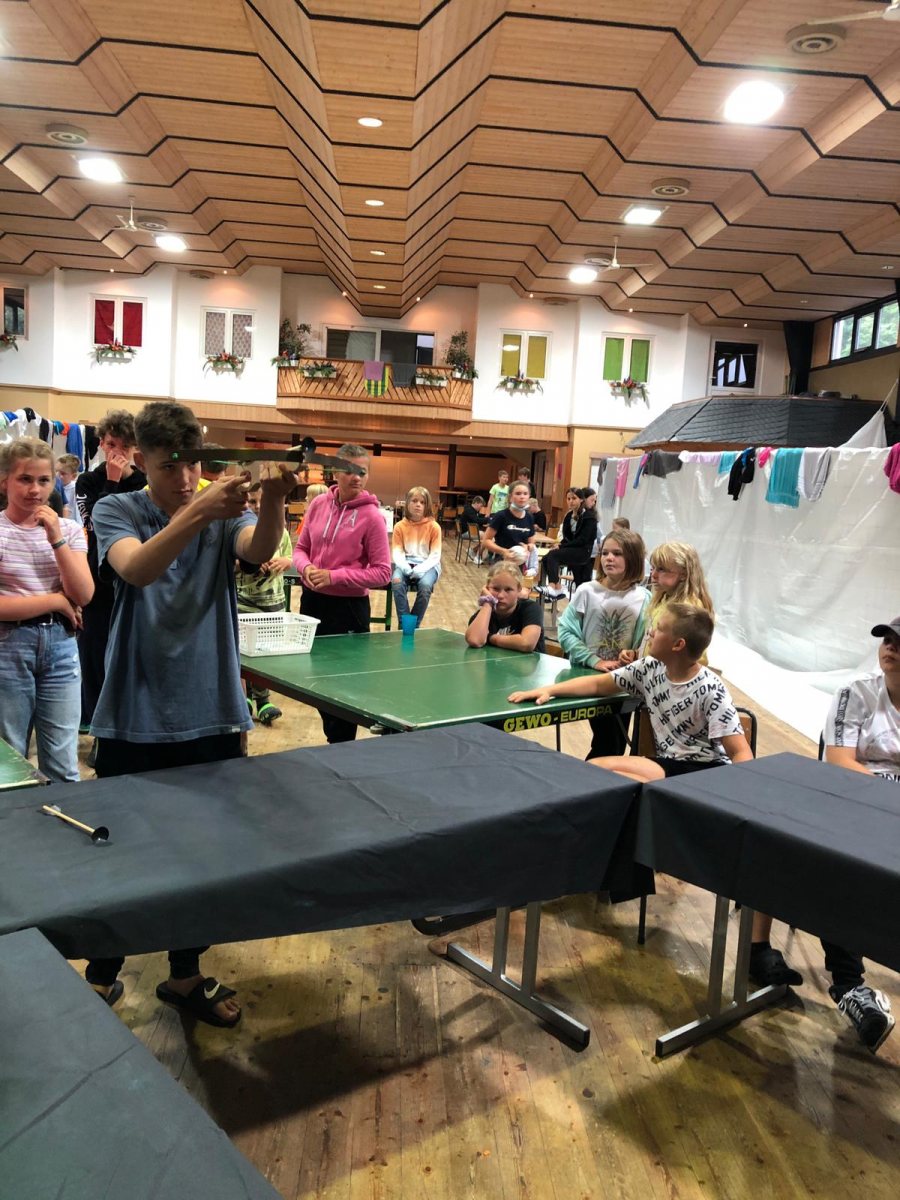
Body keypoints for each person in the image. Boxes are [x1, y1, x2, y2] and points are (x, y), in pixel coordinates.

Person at [86, 400, 299, 1024]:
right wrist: (201, 509)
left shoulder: (219, 508)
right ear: (140, 459)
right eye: (169, 466)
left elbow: (258, 549)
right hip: (134, 708)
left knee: (200, 853)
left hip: (212, 705)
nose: (184, 479)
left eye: (194, 465)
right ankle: (101, 972)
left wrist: (273, 500)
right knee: (122, 849)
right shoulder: (117, 508)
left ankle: (184, 975)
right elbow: (137, 568)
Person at [777, 616, 898, 1053]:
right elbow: (840, 762)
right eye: (887, 639)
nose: (890, 647)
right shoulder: (856, 693)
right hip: (853, 802)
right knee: (841, 865)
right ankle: (849, 985)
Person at [510, 605, 750, 780]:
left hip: (705, 771)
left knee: (618, 783)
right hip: (669, 764)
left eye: (659, 629)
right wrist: (549, 689)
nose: (651, 633)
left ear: (678, 645)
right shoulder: (650, 667)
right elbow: (598, 685)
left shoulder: (711, 688)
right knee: (594, 768)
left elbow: (740, 752)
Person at [0, 439, 94, 782]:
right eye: (25, 479)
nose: (35, 490)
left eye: (43, 480)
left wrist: (56, 537)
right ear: (5, 482)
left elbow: (83, 593)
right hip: (9, 646)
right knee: (10, 759)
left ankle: (61, 817)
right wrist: (55, 601)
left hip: (61, 645)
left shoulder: (68, 530)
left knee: (62, 762)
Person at [293, 443, 391, 744]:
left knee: (344, 691)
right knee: (318, 684)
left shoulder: (372, 517)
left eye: (362, 471)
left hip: (349, 610)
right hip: (313, 603)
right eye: (349, 470)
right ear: (335, 471)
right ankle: (336, 744)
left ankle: (341, 749)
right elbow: (301, 549)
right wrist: (307, 568)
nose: (356, 477)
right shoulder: (318, 505)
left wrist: (334, 576)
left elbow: (382, 572)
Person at [75, 410, 147, 730]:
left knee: (127, 654)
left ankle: (125, 723)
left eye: (125, 446)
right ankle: (94, 724)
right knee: (94, 654)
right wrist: (112, 481)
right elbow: (96, 522)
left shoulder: (144, 483)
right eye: (112, 444)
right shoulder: (88, 481)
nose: (117, 452)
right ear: (102, 443)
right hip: (98, 580)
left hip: (133, 579)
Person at [557, 529, 650, 759]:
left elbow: (646, 641)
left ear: (633, 557)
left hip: (623, 682)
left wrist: (634, 654)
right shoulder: (587, 591)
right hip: (588, 676)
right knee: (608, 744)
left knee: (613, 744)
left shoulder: (644, 597)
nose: (609, 558)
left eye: (617, 553)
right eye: (605, 553)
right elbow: (566, 631)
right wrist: (594, 660)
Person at [235, 485, 294, 725]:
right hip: (245, 605)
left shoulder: (282, 532)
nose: (258, 506)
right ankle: (249, 698)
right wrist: (248, 563)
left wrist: (285, 562)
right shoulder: (238, 531)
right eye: (252, 501)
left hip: (273, 604)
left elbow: (290, 557)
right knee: (244, 654)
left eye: (262, 501)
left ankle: (262, 700)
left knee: (265, 654)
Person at [642, 542, 714, 658]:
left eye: (662, 569)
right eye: (653, 568)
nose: (653, 575)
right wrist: (637, 653)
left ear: (684, 574)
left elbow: (693, 658)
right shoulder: (663, 597)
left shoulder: (689, 609)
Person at [465, 561, 544, 653]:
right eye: (495, 589)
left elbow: (526, 643)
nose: (500, 595)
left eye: (508, 589)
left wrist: (491, 638)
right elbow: (474, 640)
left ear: (519, 589)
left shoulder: (531, 609)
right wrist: (487, 603)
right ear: (487, 588)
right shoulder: (483, 615)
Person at [391, 486, 442, 626]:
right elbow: (397, 552)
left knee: (425, 586)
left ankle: (414, 624)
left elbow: (435, 555)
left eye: (422, 502)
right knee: (396, 582)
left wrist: (421, 569)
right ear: (407, 503)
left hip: (429, 565)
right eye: (414, 501)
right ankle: (405, 623)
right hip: (406, 563)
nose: (418, 505)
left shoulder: (434, 527)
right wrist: (405, 567)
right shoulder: (399, 526)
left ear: (427, 505)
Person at [539, 487, 596, 599]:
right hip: (571, 549)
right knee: (546, 558)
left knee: (553, 555)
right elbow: (567, 537)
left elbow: (582, 540)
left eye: (574, 498)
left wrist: (561, 546)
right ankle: (557, 587)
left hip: (583, 551)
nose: (571, 501)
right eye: (568, 499)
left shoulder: (589, 517)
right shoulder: (568, 516)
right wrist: (558, 545)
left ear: (581, 500)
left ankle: (552, 586)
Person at [481, 481, 535, 567]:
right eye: (518, 493)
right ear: (510, 497)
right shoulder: (501, 516)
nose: (522, 497)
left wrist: (528, 547)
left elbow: (531, 543)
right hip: (502, 564)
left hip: (521, 565)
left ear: (529, 497)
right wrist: (503, 551)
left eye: (525, 494)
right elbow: (486, 541)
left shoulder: (529, 517)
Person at [55, 454, 83, 525]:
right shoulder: (53, 487)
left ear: (73, 476)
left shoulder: (77, 489)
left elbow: (79, 514)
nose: (57, 475)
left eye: (63, 473)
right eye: (55, 471)